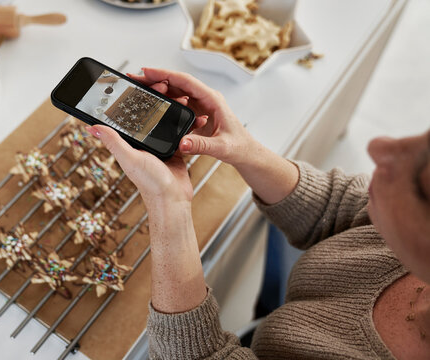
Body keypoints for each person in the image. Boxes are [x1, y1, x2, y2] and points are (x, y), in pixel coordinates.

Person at [85, 68, 430, 359]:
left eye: (423, 185)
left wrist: (168, 203)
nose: (379, 147)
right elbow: (338, 209)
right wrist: (244, 150)